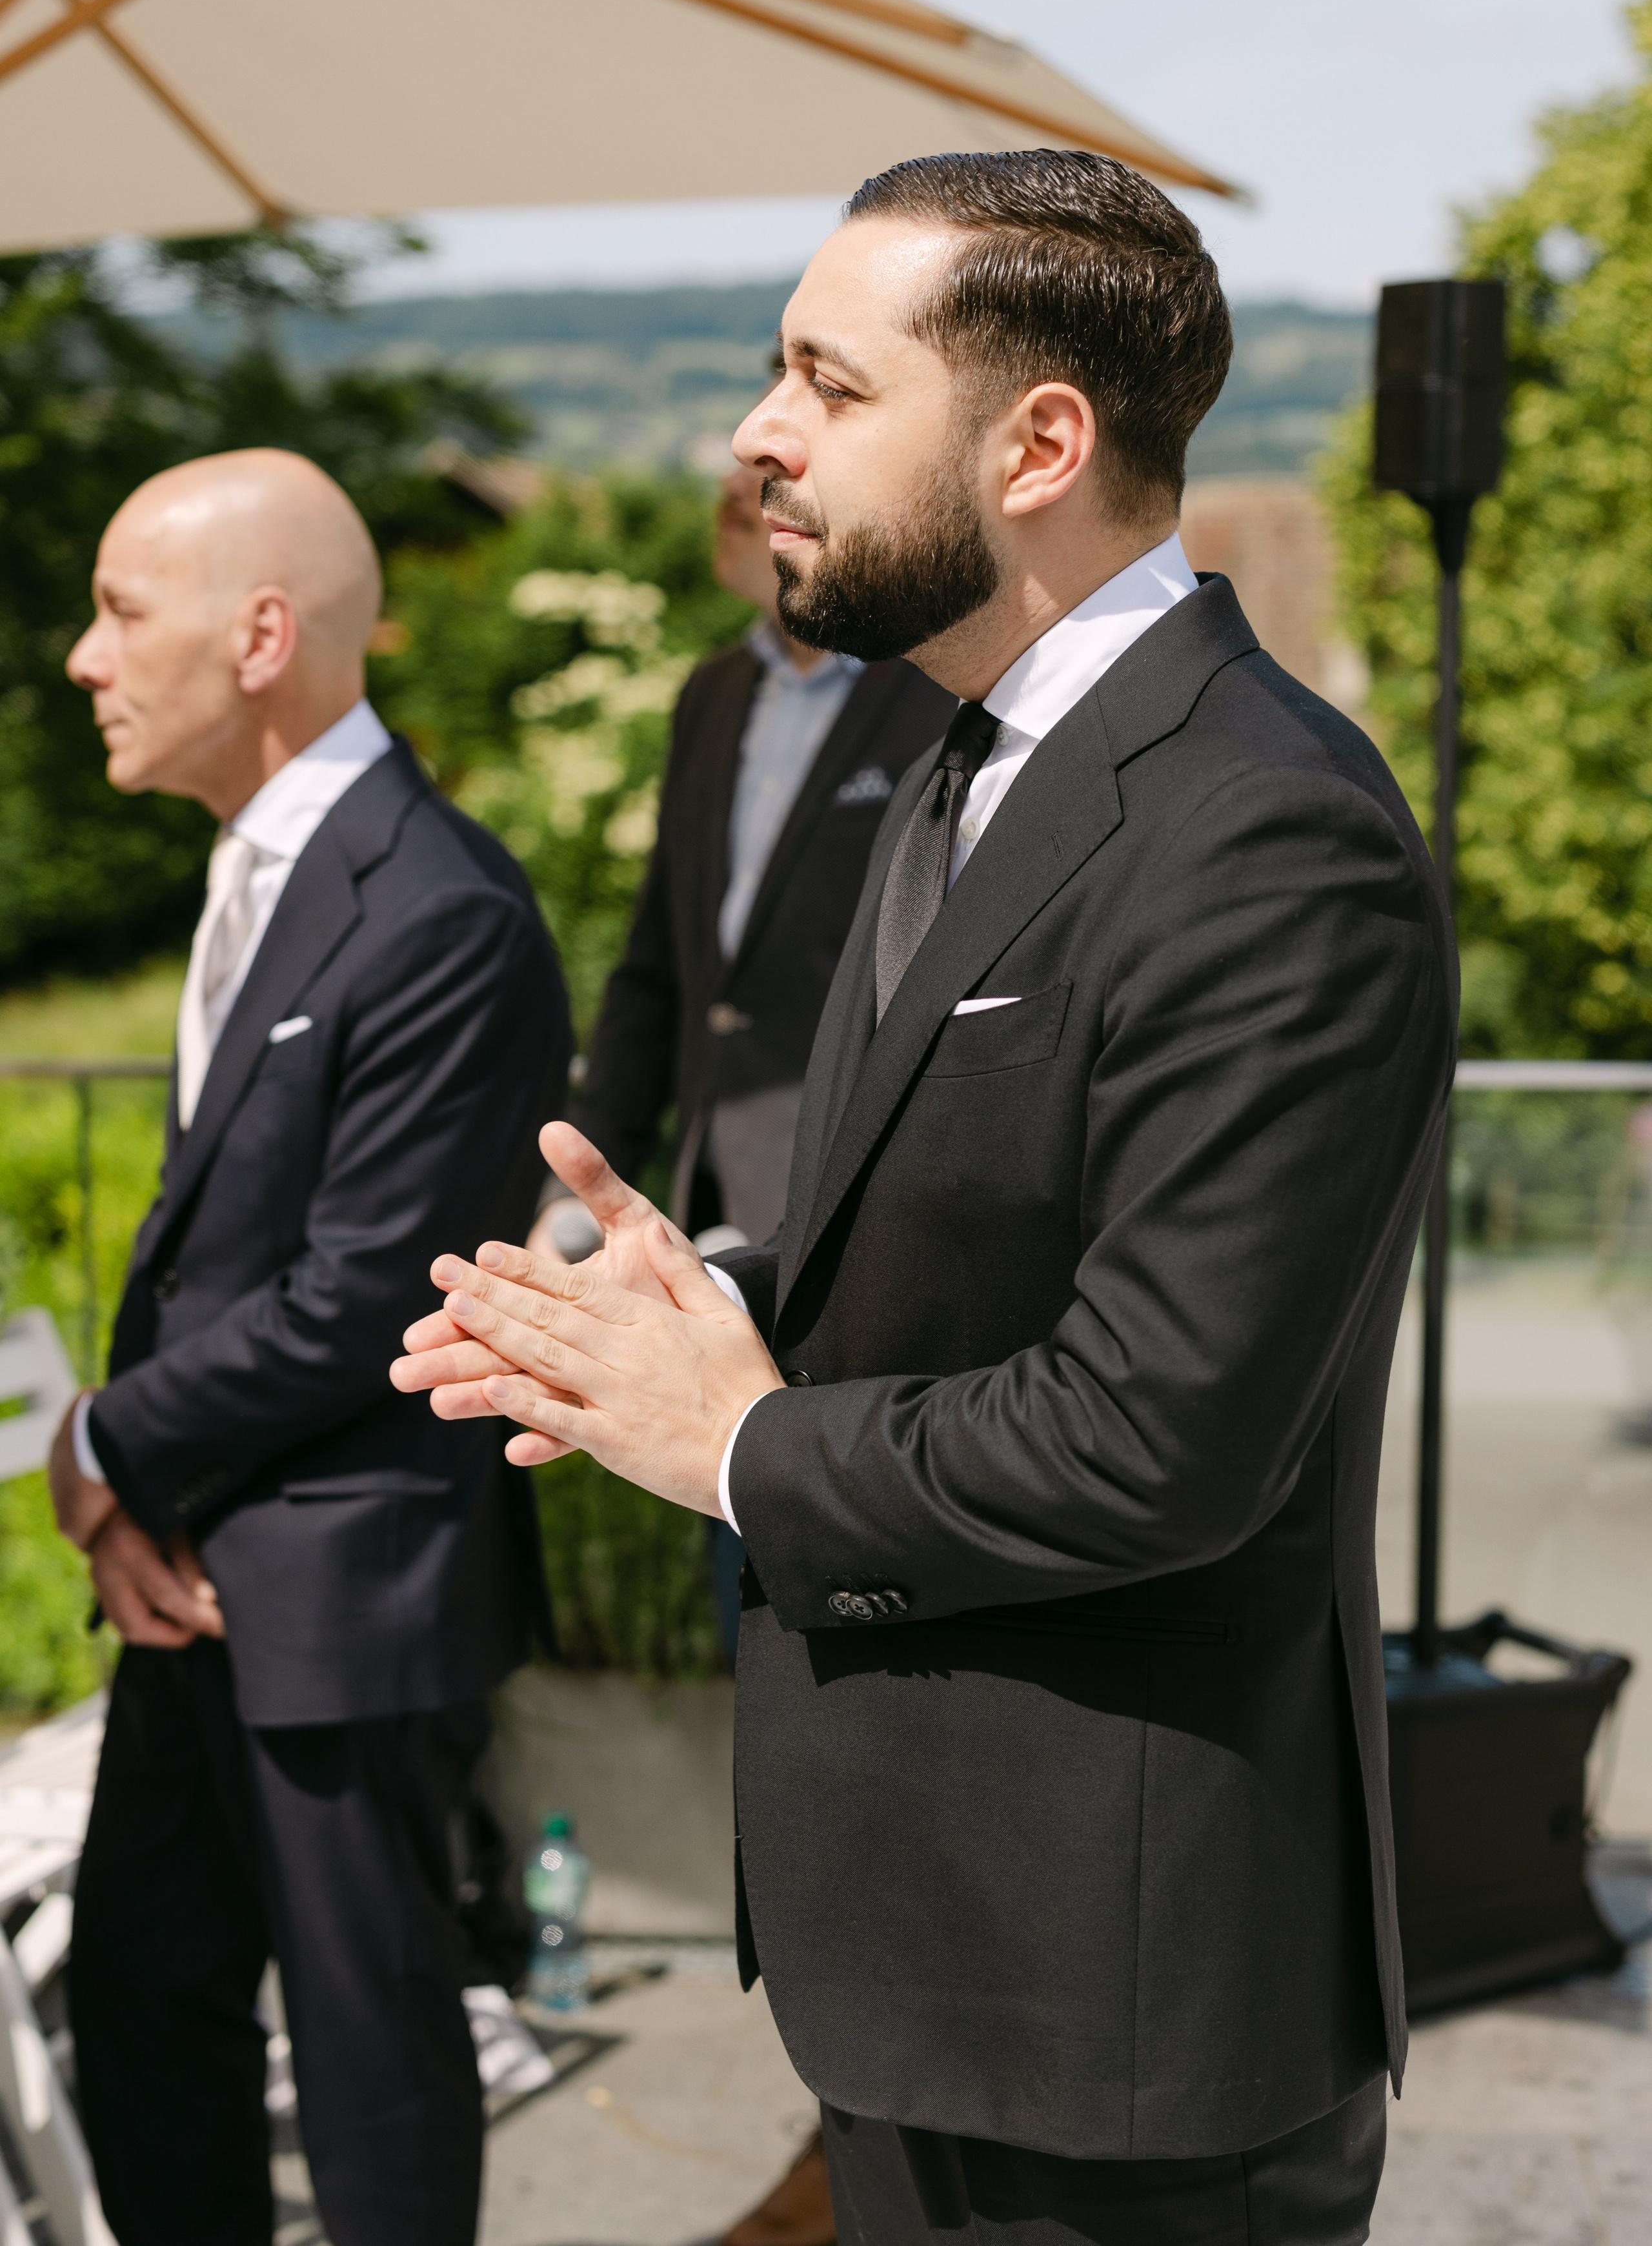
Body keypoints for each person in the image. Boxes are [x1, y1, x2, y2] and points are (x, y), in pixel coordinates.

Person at [395, 150, 1456, 2246]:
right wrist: (673, 1315)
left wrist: (741, 1442)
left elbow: (1160, 1436)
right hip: (936, 1961)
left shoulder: (1267, 833)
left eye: (825, 382)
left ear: (1038, 439)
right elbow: (967, 1232)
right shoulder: (971, 761)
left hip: (1118, 2004)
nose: (754, 437)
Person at [50, 449, 570, 2246]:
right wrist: (135, 1505)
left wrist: (99, 1444)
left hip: (348, 1590)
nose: (80, 657)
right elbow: (221, 1253)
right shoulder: (257, 864)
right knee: (138, 2003)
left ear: (261, 635)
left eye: (121, 609)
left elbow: (364, 1292)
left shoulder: (442, 908)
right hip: (198, 1576)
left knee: (373, 2069)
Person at [533, 449, 952, 1657]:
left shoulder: (927, 690)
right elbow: (661, 972)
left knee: (838, 1575)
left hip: (851, 1206)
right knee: (742, 1577)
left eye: (754, 499)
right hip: (708, 1210)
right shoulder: (713, 695)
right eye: (726, 501)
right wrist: (573, 1194)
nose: (737, 523)